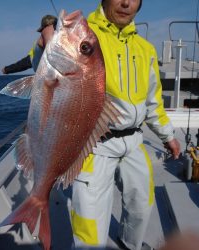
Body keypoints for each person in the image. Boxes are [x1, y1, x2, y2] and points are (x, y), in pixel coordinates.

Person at [70, 1, 180, 250]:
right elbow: (48, 57)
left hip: (134, 141)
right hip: (93, 145)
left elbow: (153, 102)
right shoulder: (85, 35)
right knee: (89, 218)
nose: (126, 3)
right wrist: (41, 43)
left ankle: (130, 244)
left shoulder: (146, 49)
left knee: (142, 202)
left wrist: (168, 136)